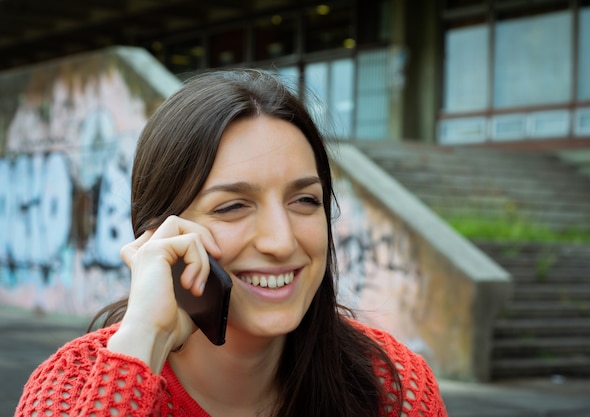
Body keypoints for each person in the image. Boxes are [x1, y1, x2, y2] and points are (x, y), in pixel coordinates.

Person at [15, 69, 448, 417]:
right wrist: (142, 343)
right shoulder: (72, 387)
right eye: (233, 206)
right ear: (160, 234)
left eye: (304, 200)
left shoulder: (394, 386)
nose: (281, 241)